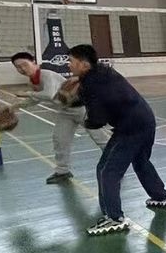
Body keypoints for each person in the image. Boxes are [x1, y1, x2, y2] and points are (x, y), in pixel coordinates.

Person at [69, 44, 166, 236]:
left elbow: (97, 120)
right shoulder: (100, 71)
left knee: (107, 170)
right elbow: (91, 95)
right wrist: (72, 99)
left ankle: (113, 217)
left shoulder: (92, 82)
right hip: (145, 119)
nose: (69, 65)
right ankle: (161, 197)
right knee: (141, 162)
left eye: (71, 61)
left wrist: (84, 121)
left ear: (83, 64)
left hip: (130, 127)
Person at [10, 52, 109, 184]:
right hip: (65, 111)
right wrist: (16, 107)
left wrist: (26, 94)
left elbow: (49, 94)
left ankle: (115, 164)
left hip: (82, 109)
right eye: (18, 67)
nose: (22, 69)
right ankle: (63, 171)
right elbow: (36, 98)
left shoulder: (46, 75)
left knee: (100, 139)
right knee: (59, 140)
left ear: (34, 62)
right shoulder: (33, 81)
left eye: (24, 64)